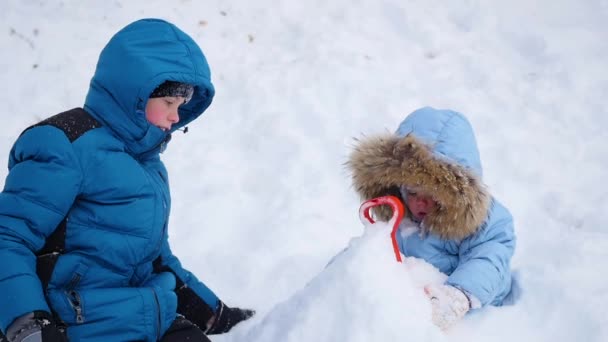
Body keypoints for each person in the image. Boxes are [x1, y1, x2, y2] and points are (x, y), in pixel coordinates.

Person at [0, 19, 254, 342]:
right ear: (135, 92)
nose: (176, 117)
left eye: (181, 107)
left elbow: (159, 261)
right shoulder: (68, 145)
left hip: (149, 320)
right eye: (169, 103)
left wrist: (214, 313)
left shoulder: (151, 169)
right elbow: (8, 236)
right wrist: (28, 324)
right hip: (79, 328)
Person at [347, 107, 515, 331]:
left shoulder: (484, 219)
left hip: (467, 319)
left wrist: (459, 295)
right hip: (404, 314)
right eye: (413, 193)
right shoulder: (396, 217)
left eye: (433, 195)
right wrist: (345, 274)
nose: (420, 203)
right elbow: (371, 256)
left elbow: (490, 260)